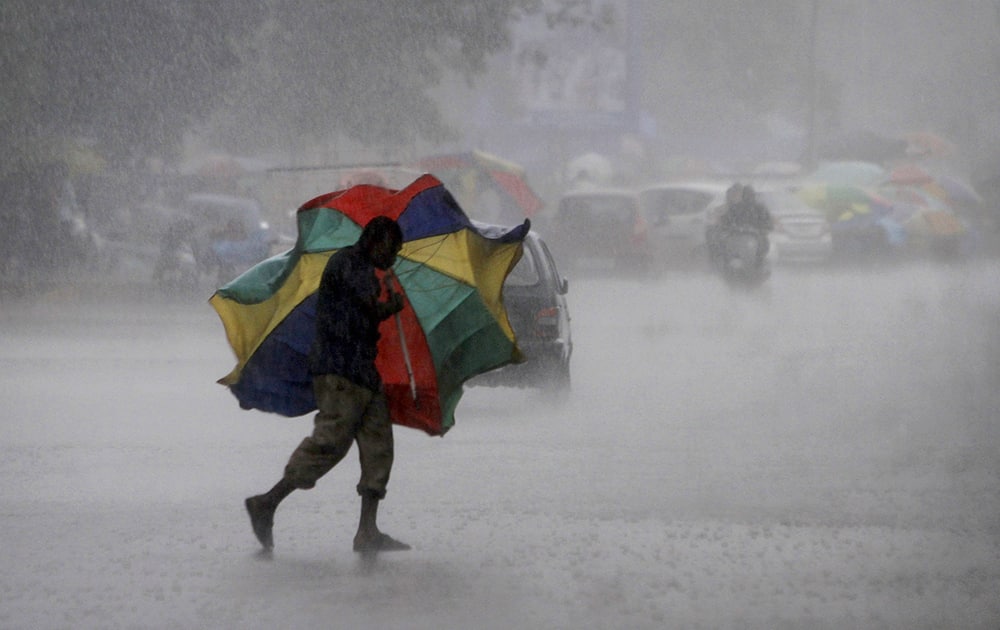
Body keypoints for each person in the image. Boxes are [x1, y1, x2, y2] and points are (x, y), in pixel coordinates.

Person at [244, 215, 411, 553]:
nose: (393, 259)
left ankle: (367, 531)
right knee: (330, 443)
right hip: (339, 372)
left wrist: (384, 304)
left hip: (363, 371)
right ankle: (268, 502)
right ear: (377, 242)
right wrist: (388, 306)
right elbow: (365, 307)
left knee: (378, 446)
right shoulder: (348, 263)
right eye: (392, 251)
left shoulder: (365, 270)